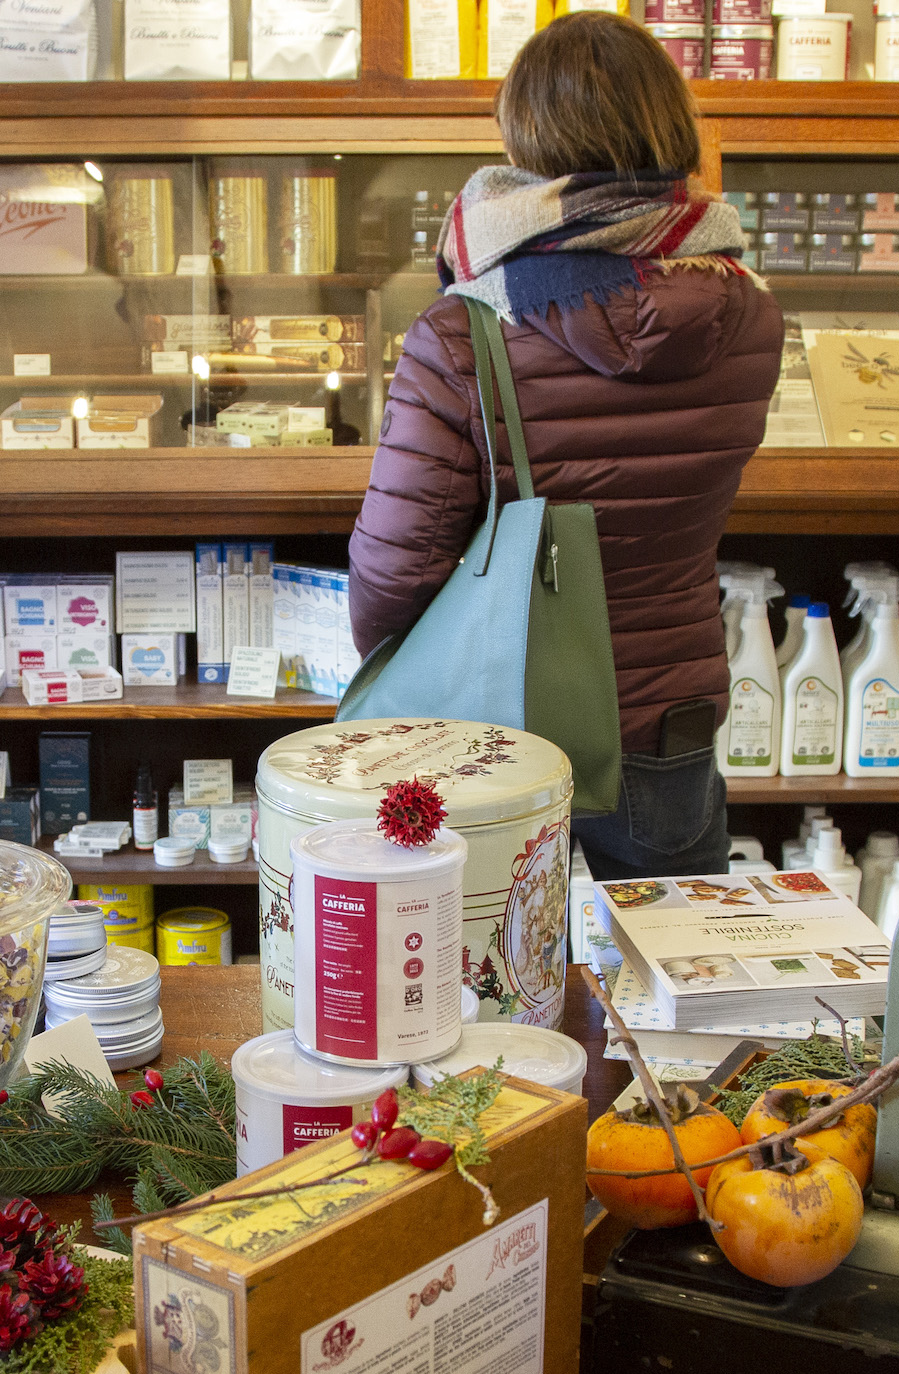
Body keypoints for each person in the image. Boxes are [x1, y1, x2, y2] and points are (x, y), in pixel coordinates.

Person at [346, 12, 782, 880]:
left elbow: (397, 566)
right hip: (669, 711)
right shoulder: (750, 312)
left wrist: (396, 665)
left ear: (526, 139)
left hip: (501, 716)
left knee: (492, 950)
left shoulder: (465, 329)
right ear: (675, 127)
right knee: (666, 949)